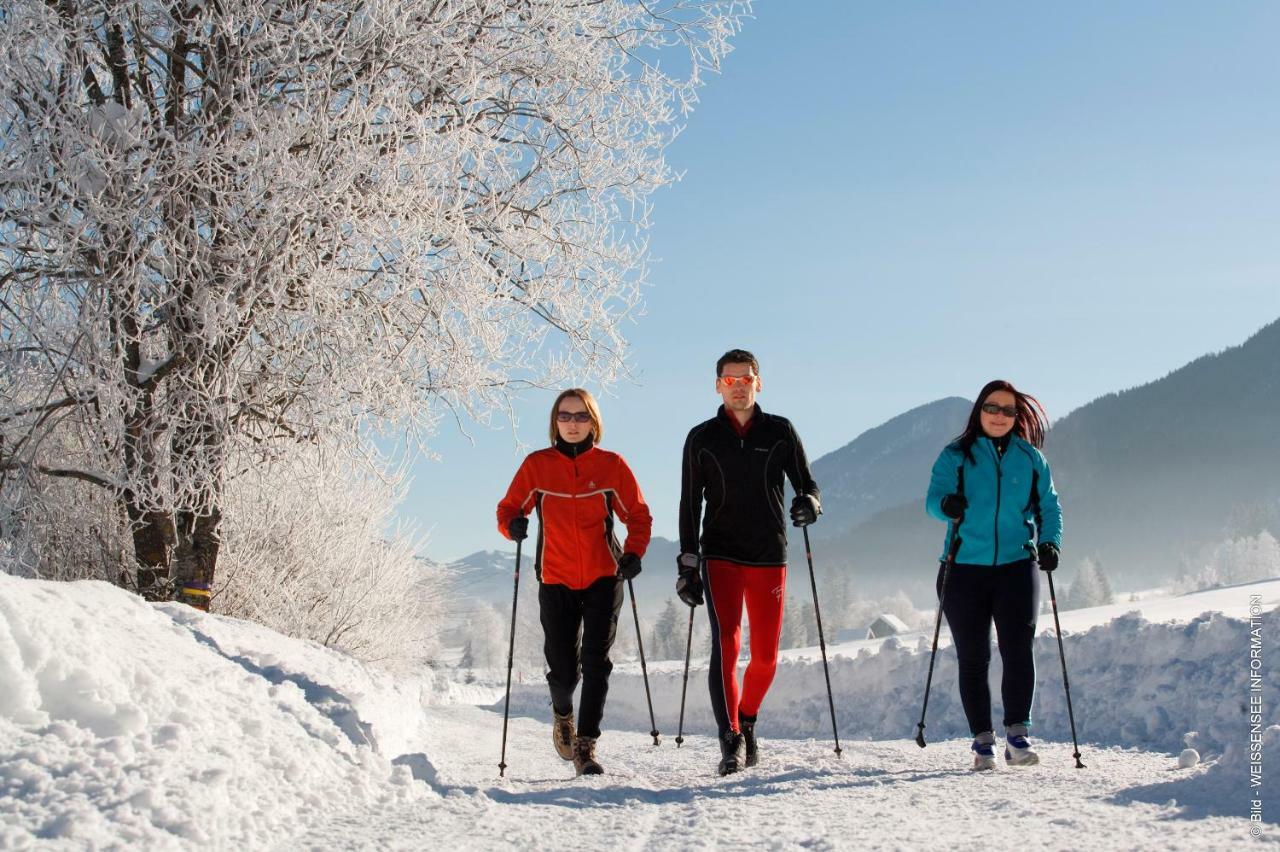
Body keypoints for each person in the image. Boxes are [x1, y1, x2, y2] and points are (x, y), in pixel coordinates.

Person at [676, 349, 821, 775]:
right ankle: (731, 737)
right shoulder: (701, 437)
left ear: (759, 382)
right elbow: (688, 505)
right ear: (718, 385)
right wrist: (688, 563)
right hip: (719, 553)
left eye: (746, 377)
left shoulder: (780, 431)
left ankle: (748, 717)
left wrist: (811, 503)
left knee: (766, 656)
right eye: (729, 378)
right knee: (727, 644)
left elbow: (807, 484)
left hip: (769, 553)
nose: (738, 385)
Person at [496, 388, 652, 776]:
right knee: (564, 671)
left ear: (593, 422)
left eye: (581, 416)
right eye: (565, 416)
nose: (572, 423)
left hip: (604, 575)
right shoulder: (537, 466)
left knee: (596, 662)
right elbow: (508, 508)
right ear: (555, 421)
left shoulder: (612, 465)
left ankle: (586, 746)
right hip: (555, 578)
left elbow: (638, 514)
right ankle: (562, 712)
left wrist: (634, 552)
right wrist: (511, 525)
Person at [925, 379, 1063, 771]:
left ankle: (1017, 736)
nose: (998, 416)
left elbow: (1050, 508)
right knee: (974, 657)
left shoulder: (1030, 458)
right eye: (991, 408)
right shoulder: (956, 455)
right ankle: (982, 741)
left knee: (1018, 650)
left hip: (1017, 567)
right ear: (979, 411)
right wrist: (946, 505)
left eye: (1007, 410)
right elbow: (932, 501)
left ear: (1016, 417)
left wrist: (1051, 542)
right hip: (962, 568)